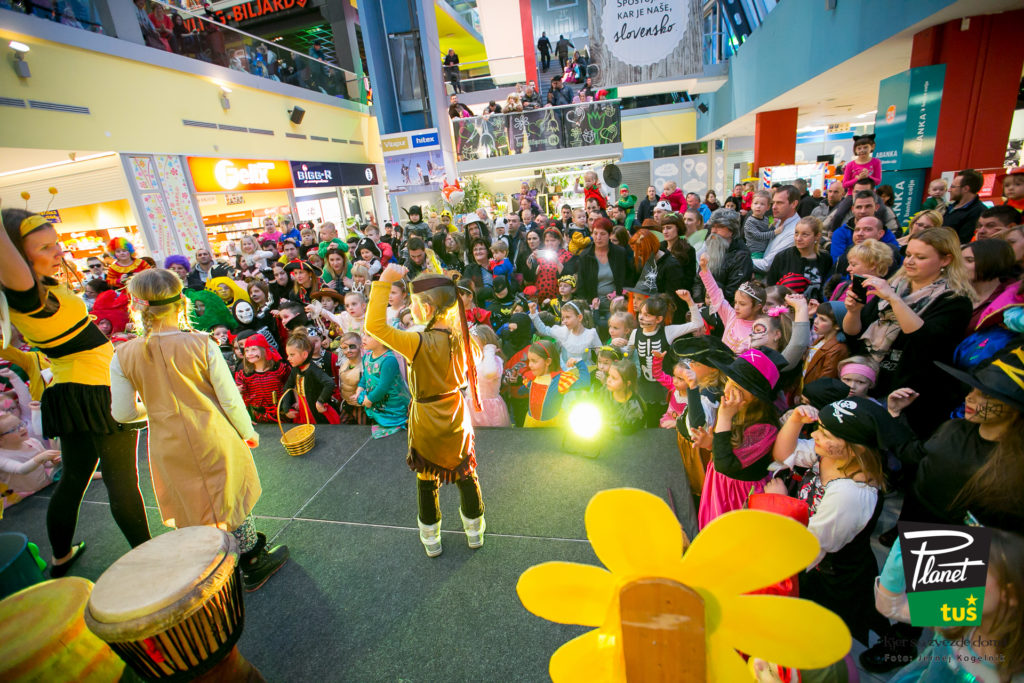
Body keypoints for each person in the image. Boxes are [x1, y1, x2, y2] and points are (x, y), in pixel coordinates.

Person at [111, 269, 287, 591]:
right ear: (182, 302)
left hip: (167, 445)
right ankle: (252, 562)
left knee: (191, 507)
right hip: (213, 435)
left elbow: (123, 413)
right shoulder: (202, 343)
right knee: (232, 498)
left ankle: (212, 571)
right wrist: (248, 432)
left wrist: (158, 407)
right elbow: (230, 400)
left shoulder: (123, 354)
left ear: (137, 306)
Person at [1, 209, 150, 576]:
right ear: (16, 256)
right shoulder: (25, 293)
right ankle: (154, 563)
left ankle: (61, 556)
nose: (58, 251)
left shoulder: (36, 288)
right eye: (44, 247)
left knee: (74, 478)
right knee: (121, 480)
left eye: (55, 242)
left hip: (70, 390)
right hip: (97, 390)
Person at [365, 265, 486, 557]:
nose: (410, 307)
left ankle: (431, 539)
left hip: (426, 417)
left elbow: (374, 327)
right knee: (466, 472)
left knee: (427, 478)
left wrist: (384, 282)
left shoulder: (417, 342)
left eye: (415, 303)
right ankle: (475, 532)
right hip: (456, 412)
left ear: (428, 308)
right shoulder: (465, 338)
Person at [767, 398, 910, 646]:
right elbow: (784, 454)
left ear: (854, 449)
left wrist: (780, 505)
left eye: (825, 434)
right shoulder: (830, 456)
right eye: (819, 428)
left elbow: (811, 546)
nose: (814, 435)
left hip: (831, 576)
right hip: (812, 560)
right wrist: (795, 420)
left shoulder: (849, 495)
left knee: (821, 636)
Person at [843, 227, 975, 436]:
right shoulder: (896, 284)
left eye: (920, 257)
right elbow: (854, 335)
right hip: (867, 381)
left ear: (945, 260)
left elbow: (927, 341)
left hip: (909, 395)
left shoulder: (955, 300)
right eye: (908, 254)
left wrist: (894, 300)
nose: (909, 261)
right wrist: (854, 311)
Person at [697, 348, 781, 529]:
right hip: (719, 486)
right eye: (728, 380)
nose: (727, 389)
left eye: (737, 387)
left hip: (737, 495)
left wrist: (724, 418)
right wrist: (711, 444)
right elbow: (725, 449)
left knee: (731, 535)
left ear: (756, 396)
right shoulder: (735, 408)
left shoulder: (764, 428)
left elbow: (725, 465)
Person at [0, 412, 61, 511]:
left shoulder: (33, 442)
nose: (22, 429)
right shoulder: (2, 457)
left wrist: (53, 462)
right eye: (14, 429)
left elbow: (46, 463)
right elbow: (21, 470)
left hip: (44, 486)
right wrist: (40, 458)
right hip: (20, 497)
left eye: (21, 424)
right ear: (1, 440)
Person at [691, 208, 752, 304]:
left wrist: (711, 305)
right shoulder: (712, 247)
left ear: (732, 231)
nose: (713, 231)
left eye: (719, 227)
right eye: (712, 226)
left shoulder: (741, 256)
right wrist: (699, 301)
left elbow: (732, 292)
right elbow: (698, 280)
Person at [766, 216, 833, 300]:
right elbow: (770, 287)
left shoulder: (825, 259)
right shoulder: (782, 257)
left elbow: (827, 289)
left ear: (817, 236)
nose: (798, 238)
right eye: (796, 233)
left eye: (805, 234)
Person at [528, 300, 601, 370]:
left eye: (568, 317)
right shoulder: (563, 332)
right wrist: (534, 314)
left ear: (579, 317)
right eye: (563, 318)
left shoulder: (591, 334)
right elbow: (544, 330)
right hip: (565, 371)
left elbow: (601, 354)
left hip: (585, 372)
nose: (564, 321)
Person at [467, 326, 511, 428]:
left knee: (490, 435)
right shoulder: (476, 360)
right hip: (471, 406)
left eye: (474, 343)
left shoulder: (495, 360)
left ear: (485, 344)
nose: (470, 346)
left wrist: (489, 350)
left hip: (488, 409)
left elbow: (489, 373)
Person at [753, 185, 800, 273]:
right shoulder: (778, 221)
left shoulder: (795, 231)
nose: (773, 207)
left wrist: (740, 260)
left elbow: (767, 265)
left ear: (794, 204)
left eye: (779, 203)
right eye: (773, 202)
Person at [803, 302, 849, 385]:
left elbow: (824, 381)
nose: (816, 321)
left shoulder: (837, 349)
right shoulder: (821, 339)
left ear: (837, 325)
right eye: (816, 316)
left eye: (822, 319)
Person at [944, 168, 985, 244]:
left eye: (953, 186)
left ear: (966, 189)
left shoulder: (978, 212)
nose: (949, 190)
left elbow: (963, 241)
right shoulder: (951, 206)